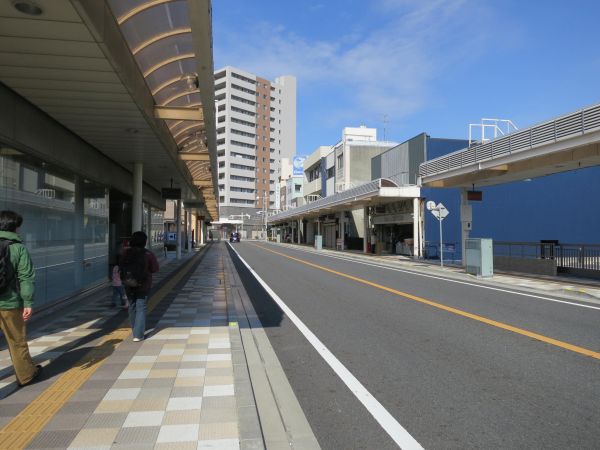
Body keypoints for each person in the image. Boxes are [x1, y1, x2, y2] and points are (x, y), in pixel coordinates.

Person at [0, 210, 42, 386]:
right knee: (17, 342)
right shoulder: (18, 248)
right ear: (15, 227)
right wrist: (28, 302)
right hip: (10, 304)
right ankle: (25, 376)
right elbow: (26, 277)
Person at [119, 231, 159, 342]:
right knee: (141, 306)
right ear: (144, 242)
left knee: (131, 306)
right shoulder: (148, 254)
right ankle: (138, 335)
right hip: (143, 284)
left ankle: (135, 331)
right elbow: (155, 268)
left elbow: (121, 267)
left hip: (128, 283)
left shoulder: (125, 253)